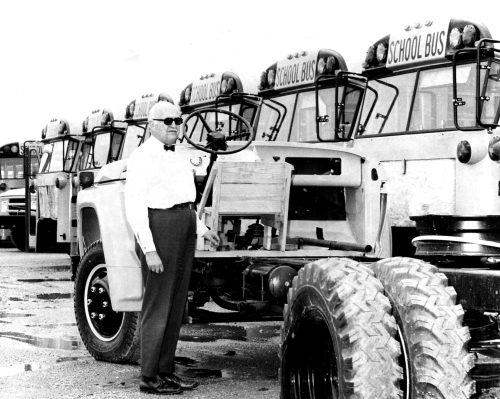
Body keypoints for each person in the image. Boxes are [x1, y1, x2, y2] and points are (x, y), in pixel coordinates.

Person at [125, 101, 220, 395]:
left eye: (177, 120)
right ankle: (149, 379)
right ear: (151, 125)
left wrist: (202, 229)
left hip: (183, 225)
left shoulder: (178, 157)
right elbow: (135, 205)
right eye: (166, 121)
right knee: (158, 305)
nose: (173, 125)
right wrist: (149, 249)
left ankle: (165, 372)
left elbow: (183, 201)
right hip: (160, 227)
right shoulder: (141, 157)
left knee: (176, 306)